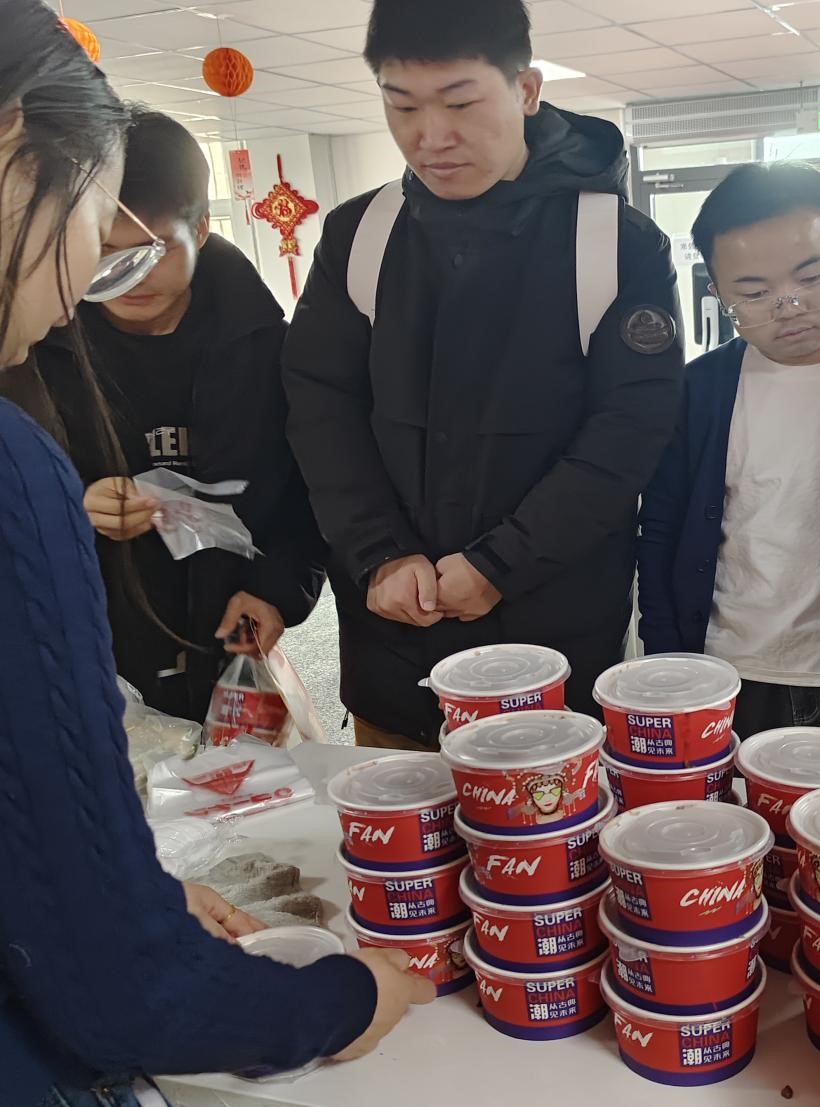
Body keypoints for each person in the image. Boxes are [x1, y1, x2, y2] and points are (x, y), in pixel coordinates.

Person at [0, 6, 429, 1104]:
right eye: (94, 232)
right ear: (17, 149)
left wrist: (118, 887)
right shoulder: (19, 457)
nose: (87, 284)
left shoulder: (267, 345)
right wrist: (341, 1002)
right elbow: (124, 988)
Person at [283, 0, 684, 751]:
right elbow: (320, 408)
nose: (431, 137)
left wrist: (500, 563)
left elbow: (630, 430)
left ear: (526, 90)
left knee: (551, 814)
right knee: (399, 819)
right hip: (393, 633)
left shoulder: (614, 243)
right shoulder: (359, 235)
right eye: (402, 106)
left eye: (460, 103)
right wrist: (378, 552)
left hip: (555, 637)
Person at [0, 108, 325, 723]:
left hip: (226, 626)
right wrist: (74, 503)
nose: (130, 277)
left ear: (200, 228)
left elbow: (309, 493)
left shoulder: (268, 349)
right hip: (86, 637)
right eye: (104, 252)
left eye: (153, 250)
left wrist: (278, 592)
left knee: (236, 777)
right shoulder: (34, 347)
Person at [637, 164, 820, 773]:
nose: (789, 306)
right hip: (735, 671)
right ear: (718, 292)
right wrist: (669, 664)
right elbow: (661, 530)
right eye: (753, 292)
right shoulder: (697, 392)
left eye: (812, 277)